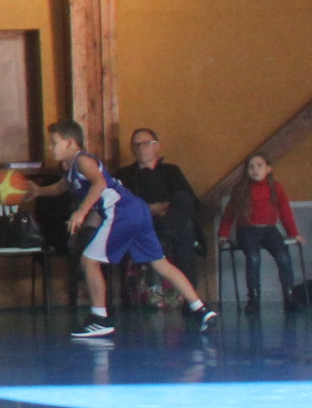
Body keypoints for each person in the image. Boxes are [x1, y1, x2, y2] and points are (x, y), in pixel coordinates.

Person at [45, 121, 215, 344]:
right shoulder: (71, 170)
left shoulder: (82, 160)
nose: (50, 147)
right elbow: (59, 187)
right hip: (138, 210)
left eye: (54, 142)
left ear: (70, 143)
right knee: (160, 263)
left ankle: (100, 319)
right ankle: (200, 309)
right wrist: (35, 191)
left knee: (88, 261)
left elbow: (99, 183)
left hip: (122, 212)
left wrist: (81, 211)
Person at [116, 128, 206, 291]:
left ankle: (189, 297)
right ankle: (166, 237)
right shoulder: (124, 175)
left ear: (157, 146)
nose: (141, 148)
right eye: (137, 145)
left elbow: (188, 201)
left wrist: (162, 207)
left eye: (146, 143)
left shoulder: (171, 171)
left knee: (185, 209)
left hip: (170, 222)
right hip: (140, 224)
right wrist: (151, 209)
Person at [218, 152, 302, 311]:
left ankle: (289, 296)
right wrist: (223, 234)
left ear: (268, 169)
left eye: (259, 166)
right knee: (254, 257)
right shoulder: (241, 189)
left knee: (283, 257)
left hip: (269, 228)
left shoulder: (275, 187)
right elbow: (230, 212)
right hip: (247, 229)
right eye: (251, 167)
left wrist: (293, 233)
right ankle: (254, 299)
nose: (255, 170)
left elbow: (285, 211)